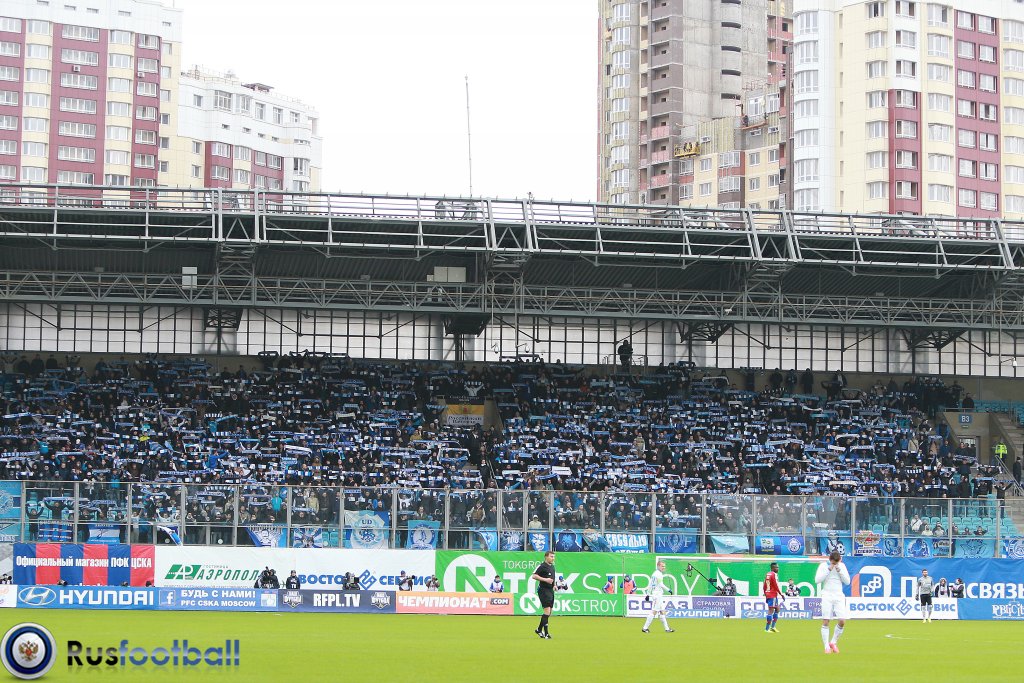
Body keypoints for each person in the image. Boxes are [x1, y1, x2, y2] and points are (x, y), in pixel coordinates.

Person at [815, 550, 850, 654]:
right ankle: (826, 646)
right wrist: (828, 570)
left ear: (840, 560)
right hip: (827, 595)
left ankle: (833, 642)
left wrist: (840, 571)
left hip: (839, 595)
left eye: (836, 563)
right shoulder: (823, 566)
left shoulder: (842, 566)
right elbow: (817, 580)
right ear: (830, 560)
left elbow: (847, 582)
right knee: (826, 620)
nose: (835, 565)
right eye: (833, 563)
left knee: (842, 621)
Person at [641, 560, 675, 634]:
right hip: (657, 594)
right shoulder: (658, 574)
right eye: (662, 566)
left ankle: (667, 629)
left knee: (662, 611)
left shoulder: (654, 574)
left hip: (657, 594)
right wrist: (669, 590)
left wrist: (648, 594)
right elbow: (661, 584)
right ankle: (645, 628)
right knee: (654, 611)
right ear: (658, 566)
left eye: (664, 566)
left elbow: (650, 584)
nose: (664, 567)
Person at [531, 551, 556, 639]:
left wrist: (554, 585)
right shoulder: (542, 566)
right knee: (547, 611)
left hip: (550, 590)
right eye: (551, 556)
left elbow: (552, 578)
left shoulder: (552, 566)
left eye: (553, 557)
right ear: (546, 557)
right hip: (543, 590)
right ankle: (546, 633)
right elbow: (534, 576)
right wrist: (545, 580)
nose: (553, 558)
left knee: (549, 612)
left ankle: (539, 629)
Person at [763, 561, 782, 633]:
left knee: (777, 609)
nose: (778, 568)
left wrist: (765, 592)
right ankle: (767, 629)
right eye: (777, 567)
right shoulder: (774, 574)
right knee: (771, 611)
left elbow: (764, 584)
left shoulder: (768, 574)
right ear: (773, 568)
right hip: (772, 594)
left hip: (769, 594)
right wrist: (781, 594)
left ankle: (773, 627)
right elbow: (775, 585)